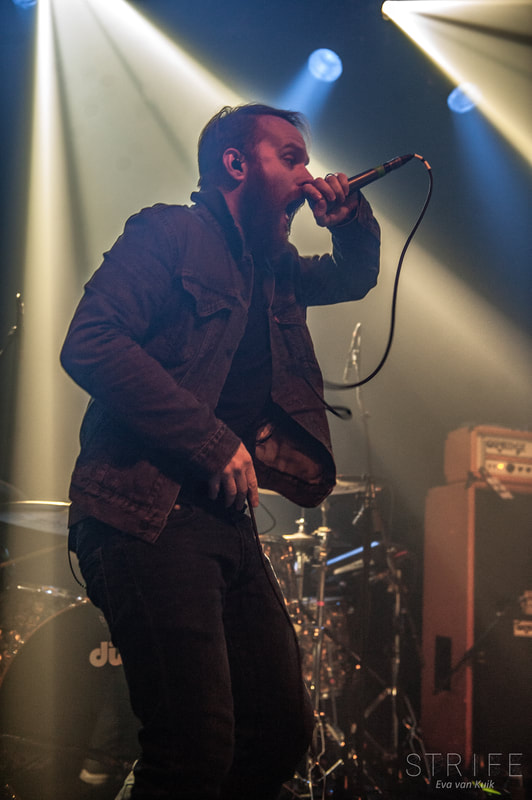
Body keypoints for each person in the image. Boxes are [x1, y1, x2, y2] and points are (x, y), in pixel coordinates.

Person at [60, 103, 380, 800]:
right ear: (236, 163)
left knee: (277, 733)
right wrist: (209, 441)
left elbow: (354, 278)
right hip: (143, 513)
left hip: (223, 522)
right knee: (192, 747)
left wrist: (352, 220)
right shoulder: (167, 233)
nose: (307, 176)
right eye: (290, 158)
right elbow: (90, 343)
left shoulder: (275, 269)